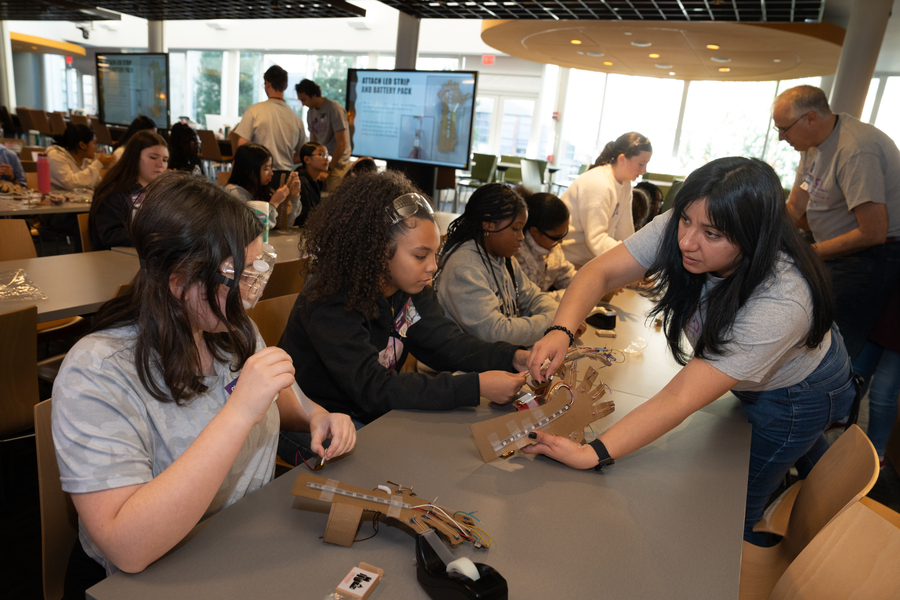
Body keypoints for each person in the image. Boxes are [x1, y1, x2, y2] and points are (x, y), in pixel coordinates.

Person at [523, 157, 856, 546]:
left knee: (732, 510)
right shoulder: (697, 216)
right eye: (684, 221)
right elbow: (600, 271)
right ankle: (830, 493)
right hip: (759, 376)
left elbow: (681, 396)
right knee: (805, 466)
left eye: (712, 234)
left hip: (797, 395)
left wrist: (591, 454)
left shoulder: (782, 301)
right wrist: (561, 330)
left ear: (754, 237)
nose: (685, 241)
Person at [52, 172, 356, 594]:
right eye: (239, 275)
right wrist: (239, 412)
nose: (249, 293)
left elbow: (276, 403)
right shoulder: (97, 370)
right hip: (145, 575)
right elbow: (127, 546)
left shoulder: (231, 329)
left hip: (237, 540)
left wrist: (314, 416)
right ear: (179, 278)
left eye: (255, 270)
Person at [277, 170, 528, 446]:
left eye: (435, 253)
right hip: (316, 427)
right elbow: (373, 388)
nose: (432, 266)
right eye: (421, 255)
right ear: (378, 250)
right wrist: (476, 386)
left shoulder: (410, 289)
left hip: (368, 417)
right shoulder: (329, 299)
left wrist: (513, 356)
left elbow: (447, 344)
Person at [773, 85, 900, 363]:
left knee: (833, 348)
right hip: (835, 250)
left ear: (810, 118)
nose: (782, 138)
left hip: (871, 257)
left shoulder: (856, 150)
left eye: (785, 129)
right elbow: (795, 207)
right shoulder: (811, 146)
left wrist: (808, 253)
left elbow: (874, 231)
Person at [435, 183, 568, 346]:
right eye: (515, 229)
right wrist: (554, 325)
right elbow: (495, 333)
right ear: (488, 225)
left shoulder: (505, 258)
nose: (521, 237)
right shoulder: (464, 268)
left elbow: (534, 298)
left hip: (493, 359)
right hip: (460, 367)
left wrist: (556, 319)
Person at [560, 132, 652, 268]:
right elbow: (596, 239)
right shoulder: (599, 183)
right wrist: (634, 259)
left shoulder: (625, 185)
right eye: (641, 164)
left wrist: (637, 259)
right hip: (567, 262)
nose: (644, 170)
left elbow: (625, 233)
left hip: (588, 261)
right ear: (622, 159)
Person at [89, 131, 168, 251]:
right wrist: (155, 234)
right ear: (134, 157)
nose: (160, 165)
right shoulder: (113, 193)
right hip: (115, 261)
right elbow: (110, 235)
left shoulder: (161, 192)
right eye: (153, 157)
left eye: (165, 160)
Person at [234, 65, 307, 190]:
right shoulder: (296, 118)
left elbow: (242, 146)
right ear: (285, 86)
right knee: (282, 209)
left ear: (267, 84)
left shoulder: (255, 111)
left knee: (258, 208)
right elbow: (303, 154)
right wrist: (286, 157)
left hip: (258, 175)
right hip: (286, 177)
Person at [514, 191, 578, 302]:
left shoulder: (551, 245)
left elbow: (566, 275)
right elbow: (528, 302)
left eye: (564, 233)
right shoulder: (517, 255)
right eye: (556, 237)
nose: (561, 241)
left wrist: (591, 284)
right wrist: (566, 296)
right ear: (534, 231)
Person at [225, 143, 301, 229]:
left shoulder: (260, 193)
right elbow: (253, 229)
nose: (271, 173)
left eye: (270, 168)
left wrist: (294, 197)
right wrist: (273, 204)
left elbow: (285, 225)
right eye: (266, 169)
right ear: (249, 171)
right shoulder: (234, 193)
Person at [295, 78, 351, 192]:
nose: (303, 104)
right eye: (301, 100)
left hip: (337, 162)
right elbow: (313, 143)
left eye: (304, 99)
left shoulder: (334, 109)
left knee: (331, 196)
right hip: (322, 162)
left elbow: (341, 144)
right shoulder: (310, 113)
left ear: (314, 95)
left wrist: (328, 169)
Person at [47, 123, 115, 190]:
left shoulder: (85, 160)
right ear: (82, 145)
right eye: (94, 143)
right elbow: (71, 183)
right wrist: (99, 163)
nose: (96, 148)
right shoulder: (56, 156)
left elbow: (97, 184)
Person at [292, 142, 327, 227]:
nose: (326, 159)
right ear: (307, 159)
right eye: (321, 155)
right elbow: (305, 216)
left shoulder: (316, 181)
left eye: (326, 155)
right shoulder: (302, 181)